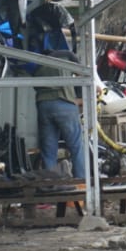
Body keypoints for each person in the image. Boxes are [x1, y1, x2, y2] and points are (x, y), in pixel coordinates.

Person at [35, 49, 89, 186]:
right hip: (65, 105)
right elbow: (83, 74)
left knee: (48, 151)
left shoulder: (37, 62)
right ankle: (81, 184)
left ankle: (52, 186)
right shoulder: (66, 55)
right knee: (76, 147)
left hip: (44, 106)